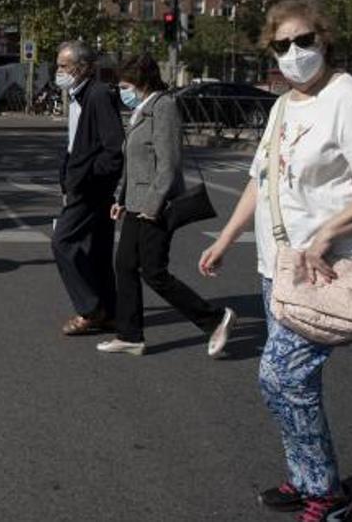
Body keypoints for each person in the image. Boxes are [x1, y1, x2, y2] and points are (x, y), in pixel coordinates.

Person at [198, 0, 352, 520]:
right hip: (278, 267)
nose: (294, 53)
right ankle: (308, 478)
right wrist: (225, 239)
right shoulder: (283, 106)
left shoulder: (351, 100)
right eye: (282, 44)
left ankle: (329, 495)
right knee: (293, 382)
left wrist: (328, 233)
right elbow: (259, 180)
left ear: (325, 41)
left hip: (326, 265)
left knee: (282, 376)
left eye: (304, 41)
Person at [97, 55, 235, 356]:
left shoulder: (164, 108)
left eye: (125, 85)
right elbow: (134, 163)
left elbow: (168, 163)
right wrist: (121, 199)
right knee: (124, 266)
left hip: (153, 207)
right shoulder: (142, 111)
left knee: (153, 272)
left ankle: (214, 319)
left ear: (142, 82)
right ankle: (130, 335)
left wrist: (153, 204)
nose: (122, 92)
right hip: (135, 204)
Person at [53, 41, 125, 336]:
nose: (58, 71)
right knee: (97, 250)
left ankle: (90, 309)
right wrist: (66, 177)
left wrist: (88, 178)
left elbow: (113, 148)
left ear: (82, 68)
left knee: (63, 242)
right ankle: (109, 311)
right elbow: (75, 145)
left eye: (63, 66)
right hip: (83, 183)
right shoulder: (77, 96)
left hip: (91, 188)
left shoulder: (97, 96)